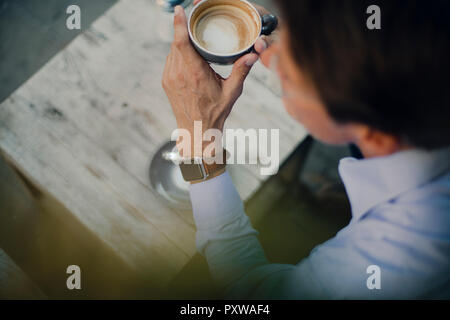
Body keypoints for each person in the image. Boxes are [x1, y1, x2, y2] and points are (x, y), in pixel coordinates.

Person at [162, 0, 450, 299]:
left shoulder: (385, 259)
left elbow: (248, 290)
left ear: (373, 134)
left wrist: (197, 140)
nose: (271, 55)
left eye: (287, 77)